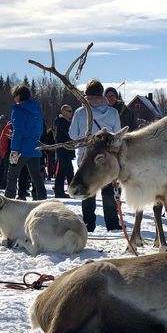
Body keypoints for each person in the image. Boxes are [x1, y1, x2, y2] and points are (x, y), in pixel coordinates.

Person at [69, 79, 121, 231]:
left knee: (87, 191)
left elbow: (72, 135)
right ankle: (112, 224)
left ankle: (88, 225)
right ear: (101, 93)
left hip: (85, 159)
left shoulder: (80, 112)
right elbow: (117, 137)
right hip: (106, 161)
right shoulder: (113, 112)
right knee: (108, 192)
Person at [4, 84, 47, 201]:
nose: (14, 98)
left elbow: (18, 131)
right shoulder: (37, 109)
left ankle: (9, 202)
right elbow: (41, 128)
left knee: (12, 175)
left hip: (21, 148)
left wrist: (14, 150)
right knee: (36, 177)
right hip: (35, 147)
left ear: (18, 96)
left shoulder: (18, 110)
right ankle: (42, 201)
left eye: (14, 95)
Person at [53, 104, 75, 198]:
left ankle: (59, 192)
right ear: (64, 112)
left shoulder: (66, 122)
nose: (71, 113)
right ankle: (73, 191)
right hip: (63, 150)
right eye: (69, 111)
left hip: (66, 150)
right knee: (69, 171)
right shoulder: (62, 122)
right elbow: (70, 134)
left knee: (62, 172)